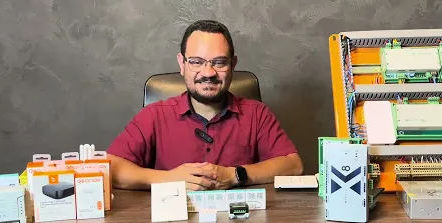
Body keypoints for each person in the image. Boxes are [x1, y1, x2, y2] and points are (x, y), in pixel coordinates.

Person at [107, 19, 303, 191]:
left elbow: (293, 165)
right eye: (196, 62)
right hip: (174, 220)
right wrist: (169, 179)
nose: (208, 73)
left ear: (233, 65)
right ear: (182, 64)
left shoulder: (257, 114)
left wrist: (234, 175)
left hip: (239, 219)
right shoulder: (153, 116)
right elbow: (111, 167)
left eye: (219, 62)